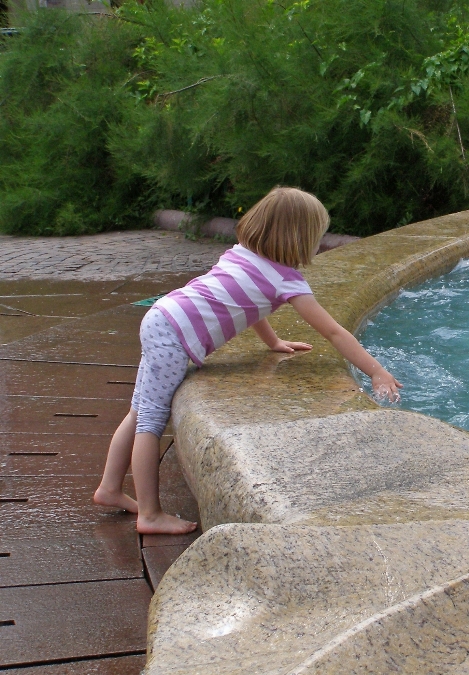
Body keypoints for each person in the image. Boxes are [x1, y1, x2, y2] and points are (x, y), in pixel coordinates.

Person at [93, 187, 402, 534]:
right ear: (299, 238)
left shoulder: (242, 254)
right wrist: (376, 371)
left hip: (163, 317)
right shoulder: (286, 280)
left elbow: (247, 304)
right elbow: (333, 332)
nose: (319, 243)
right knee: (150, 422)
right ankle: (149, 514)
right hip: (175, 337)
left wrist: (273, 341)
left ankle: (110, 488)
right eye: (318, 235)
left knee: (138, 410)